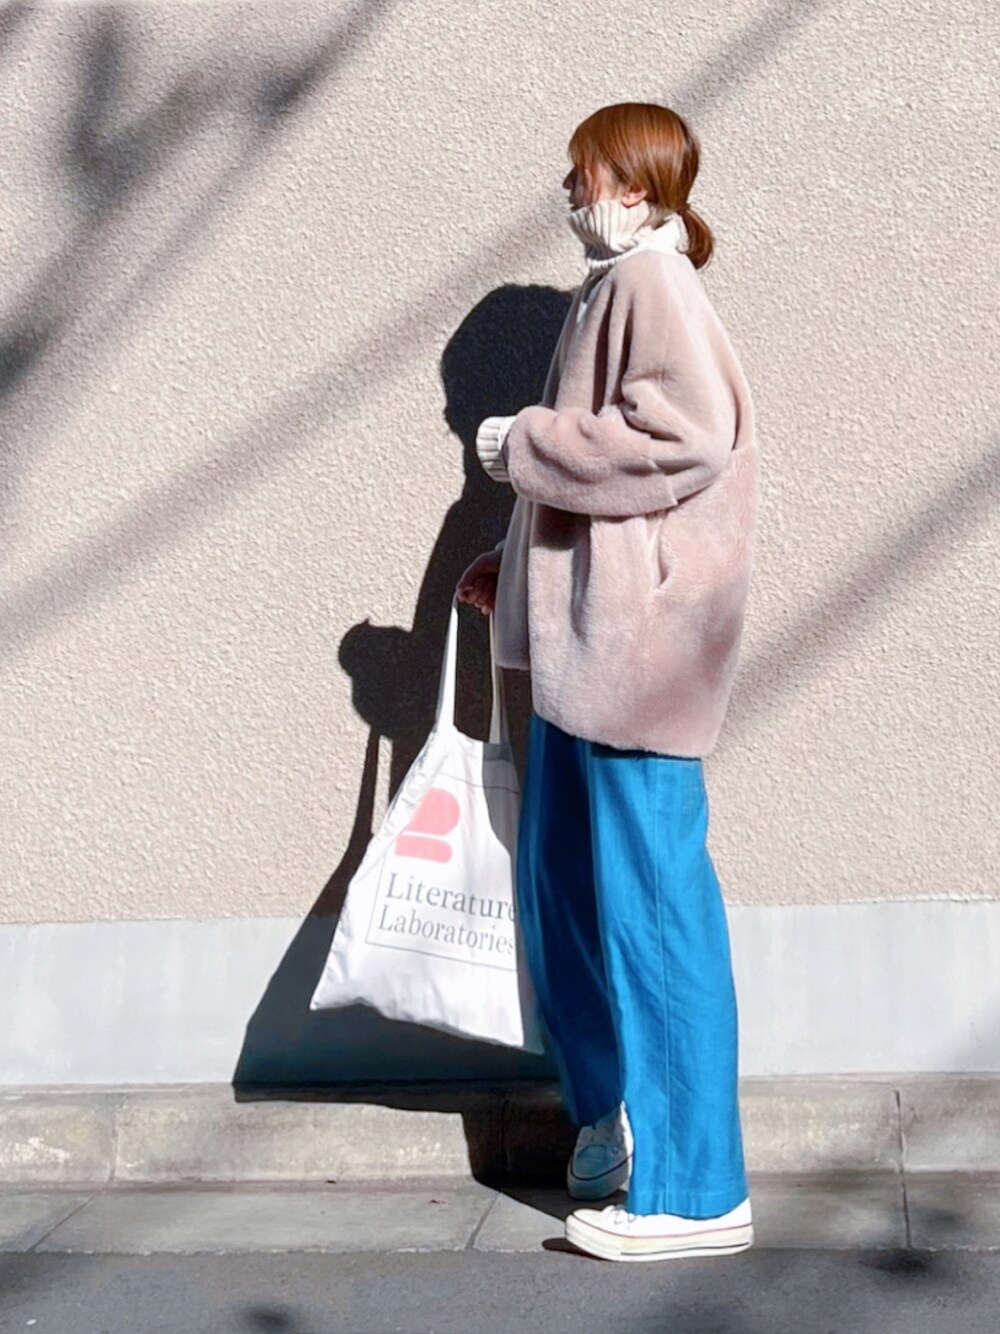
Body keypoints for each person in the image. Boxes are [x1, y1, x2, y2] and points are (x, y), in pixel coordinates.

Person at [455, 101, 759, 1264]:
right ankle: (617, 1129)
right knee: (571, 893)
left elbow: (682, 439)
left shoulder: (650, 282)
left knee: (651, 910)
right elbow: (613, 472)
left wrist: (520, 444)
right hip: (588, 648)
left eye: (580, 172)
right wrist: (517, 566)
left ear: (633, 185)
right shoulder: (612, 286)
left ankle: (697, 1188)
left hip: (637, 654)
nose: (567, 190)